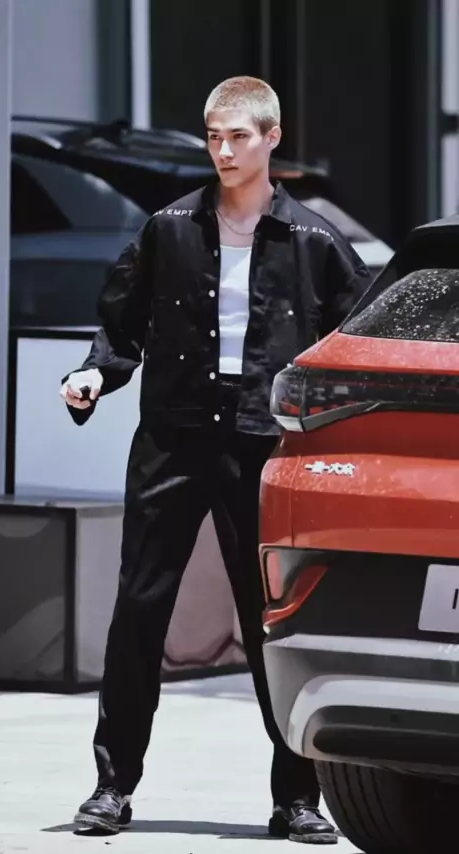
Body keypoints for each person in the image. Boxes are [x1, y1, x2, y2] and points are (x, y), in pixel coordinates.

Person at [60, 76, 370, 845]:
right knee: (139, 610)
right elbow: (122, 323)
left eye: (238, 136)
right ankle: (111, 787)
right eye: (213, 137)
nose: (223, 151)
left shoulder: (315, 242)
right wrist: (96, 373)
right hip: (173, 435)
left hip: (264, 444)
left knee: (271, 620)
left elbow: (350, 345)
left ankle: (297, 798)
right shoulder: (168, 228)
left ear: (272, 138)